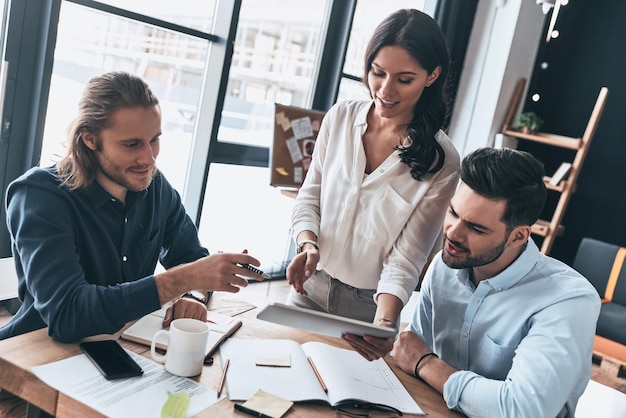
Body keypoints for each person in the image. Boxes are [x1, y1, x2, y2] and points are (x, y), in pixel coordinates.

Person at [0, 71, 265, 343]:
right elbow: (68, 315)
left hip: (125, 342)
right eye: (132, 144)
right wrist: (183, 279)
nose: (148, 158)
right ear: (89, 138)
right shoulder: (39, 195)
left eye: (154, 140)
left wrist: (192, 295)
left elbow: (191, 258)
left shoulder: (155, 186)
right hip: (36, 354)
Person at [286, 8, 460, 360]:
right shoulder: (341, 117)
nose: (385, 90)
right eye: (377, 73)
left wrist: (383, 324)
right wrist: (307, 245)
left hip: (368, 310)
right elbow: (310, 197)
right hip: (309, 288)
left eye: (404, 79)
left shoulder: (442, 161)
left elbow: (409, 256)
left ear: (432, 76)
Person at [387, 147, 601, 417]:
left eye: (476, 228)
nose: (453, 233)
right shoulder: (445, 266)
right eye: (453, 212)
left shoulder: (567, 301)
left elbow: (521, 410)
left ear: (519, 236)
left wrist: (427, 365)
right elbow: (411, 350)